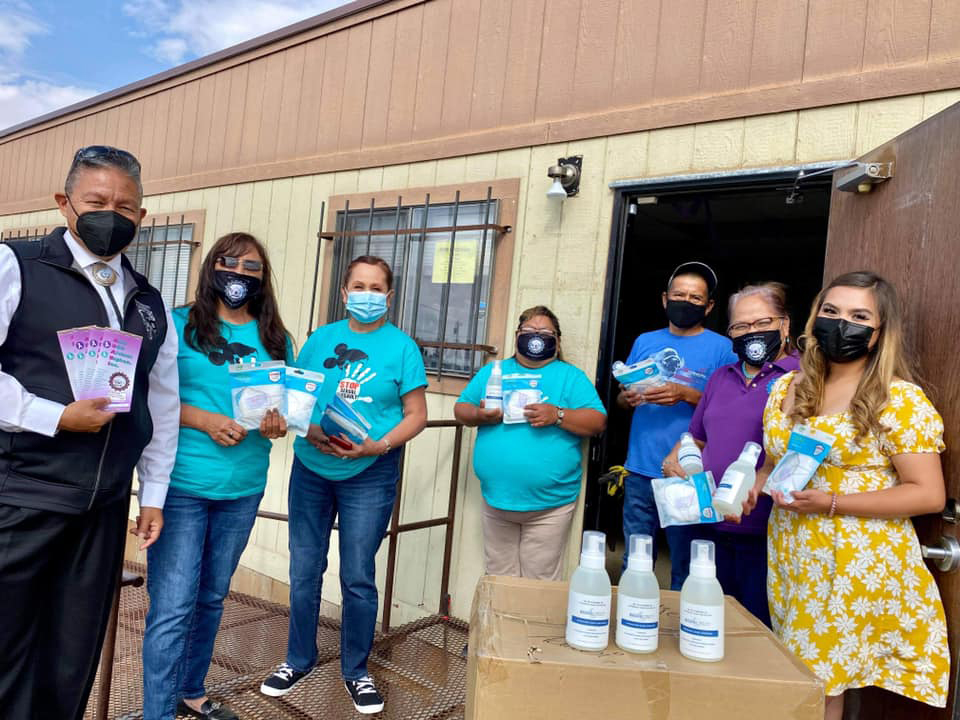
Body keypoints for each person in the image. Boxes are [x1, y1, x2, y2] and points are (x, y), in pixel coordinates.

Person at [0, 146, 180, 719]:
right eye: (97, 201)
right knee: (6, 644)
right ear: (64, 203)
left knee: (70, 653)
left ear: (142, 216)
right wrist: (53, 416)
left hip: (103, 505)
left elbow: (163, 403)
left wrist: (152, 494)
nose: (112, 215)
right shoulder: (18, 266)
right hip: (23, 493)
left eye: (125, 206)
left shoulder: (149, 302)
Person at [745, 271, 949, 718]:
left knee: (817, 688)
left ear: (878, 334)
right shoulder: (788, 385)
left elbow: (928, 494)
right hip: (795, 555)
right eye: (831, 312)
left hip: (854, 562)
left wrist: (831, 502)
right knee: (805, 677)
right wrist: (757, 481)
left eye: (859, 317)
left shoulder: (897, 399)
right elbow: (777, 459)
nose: (841, 325)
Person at [260, 255, 427, 715]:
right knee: (304, 569)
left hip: (370, 474)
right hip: (312, 469)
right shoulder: (320, 340)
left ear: (389, 297)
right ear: (344, 292)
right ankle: (298, 658)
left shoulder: (402, 348)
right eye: (360, 286)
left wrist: (379, 446)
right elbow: (296, 398)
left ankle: (356, 671)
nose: (367, 295)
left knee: (357, 576)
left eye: (377, 288)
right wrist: (308, 429)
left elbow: (417, 414)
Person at [142, 233, 293, 720]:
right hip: (183, 484)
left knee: (210, 597)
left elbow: (285, 411)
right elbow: (151, 398)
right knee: (173, 604)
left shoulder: (275, 338)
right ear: (211, 268)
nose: (240, 275)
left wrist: (277, 423)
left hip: (242, 487)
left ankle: (191, 689)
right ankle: (157, 712)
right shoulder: (179, 325)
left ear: (263, 278)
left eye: (252, 267)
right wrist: (206, 420)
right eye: (229, 264)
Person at [661, 282, 798, 626]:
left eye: (761, 323)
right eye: (740, 326)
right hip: (708, 524)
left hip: (766, 531)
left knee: (757, 631)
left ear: (784, 325)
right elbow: (698, 437)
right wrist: (676, 455)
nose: (751, 333)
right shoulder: (721, 378)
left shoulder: (802, 379)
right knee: (706, 622)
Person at [454, 306, 607, 580]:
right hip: (496, 500)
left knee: (539, 584)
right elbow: (461, 409)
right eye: (529, 331)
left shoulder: (570, 377)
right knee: (499, 579)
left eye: (545, 332)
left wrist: (557, 414)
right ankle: (502, 625)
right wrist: (480, 415)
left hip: (549, 507)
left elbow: (597, 422)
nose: (536, 337)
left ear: (557, 340)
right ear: (517, 336)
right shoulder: (494, 372)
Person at [617, 261, 736, 589]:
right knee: (636, 560)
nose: (686, 301)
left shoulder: (723, 349)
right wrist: (626, 399)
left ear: (709, 306)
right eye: (679, 294)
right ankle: (636, 622)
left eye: (696, 298)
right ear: (665, 299)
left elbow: (729, 406)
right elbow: (621, 396)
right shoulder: (644, 341)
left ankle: (681, 631)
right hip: (640, 468)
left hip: (689, 471)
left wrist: (685, 393)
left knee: (686, 564)